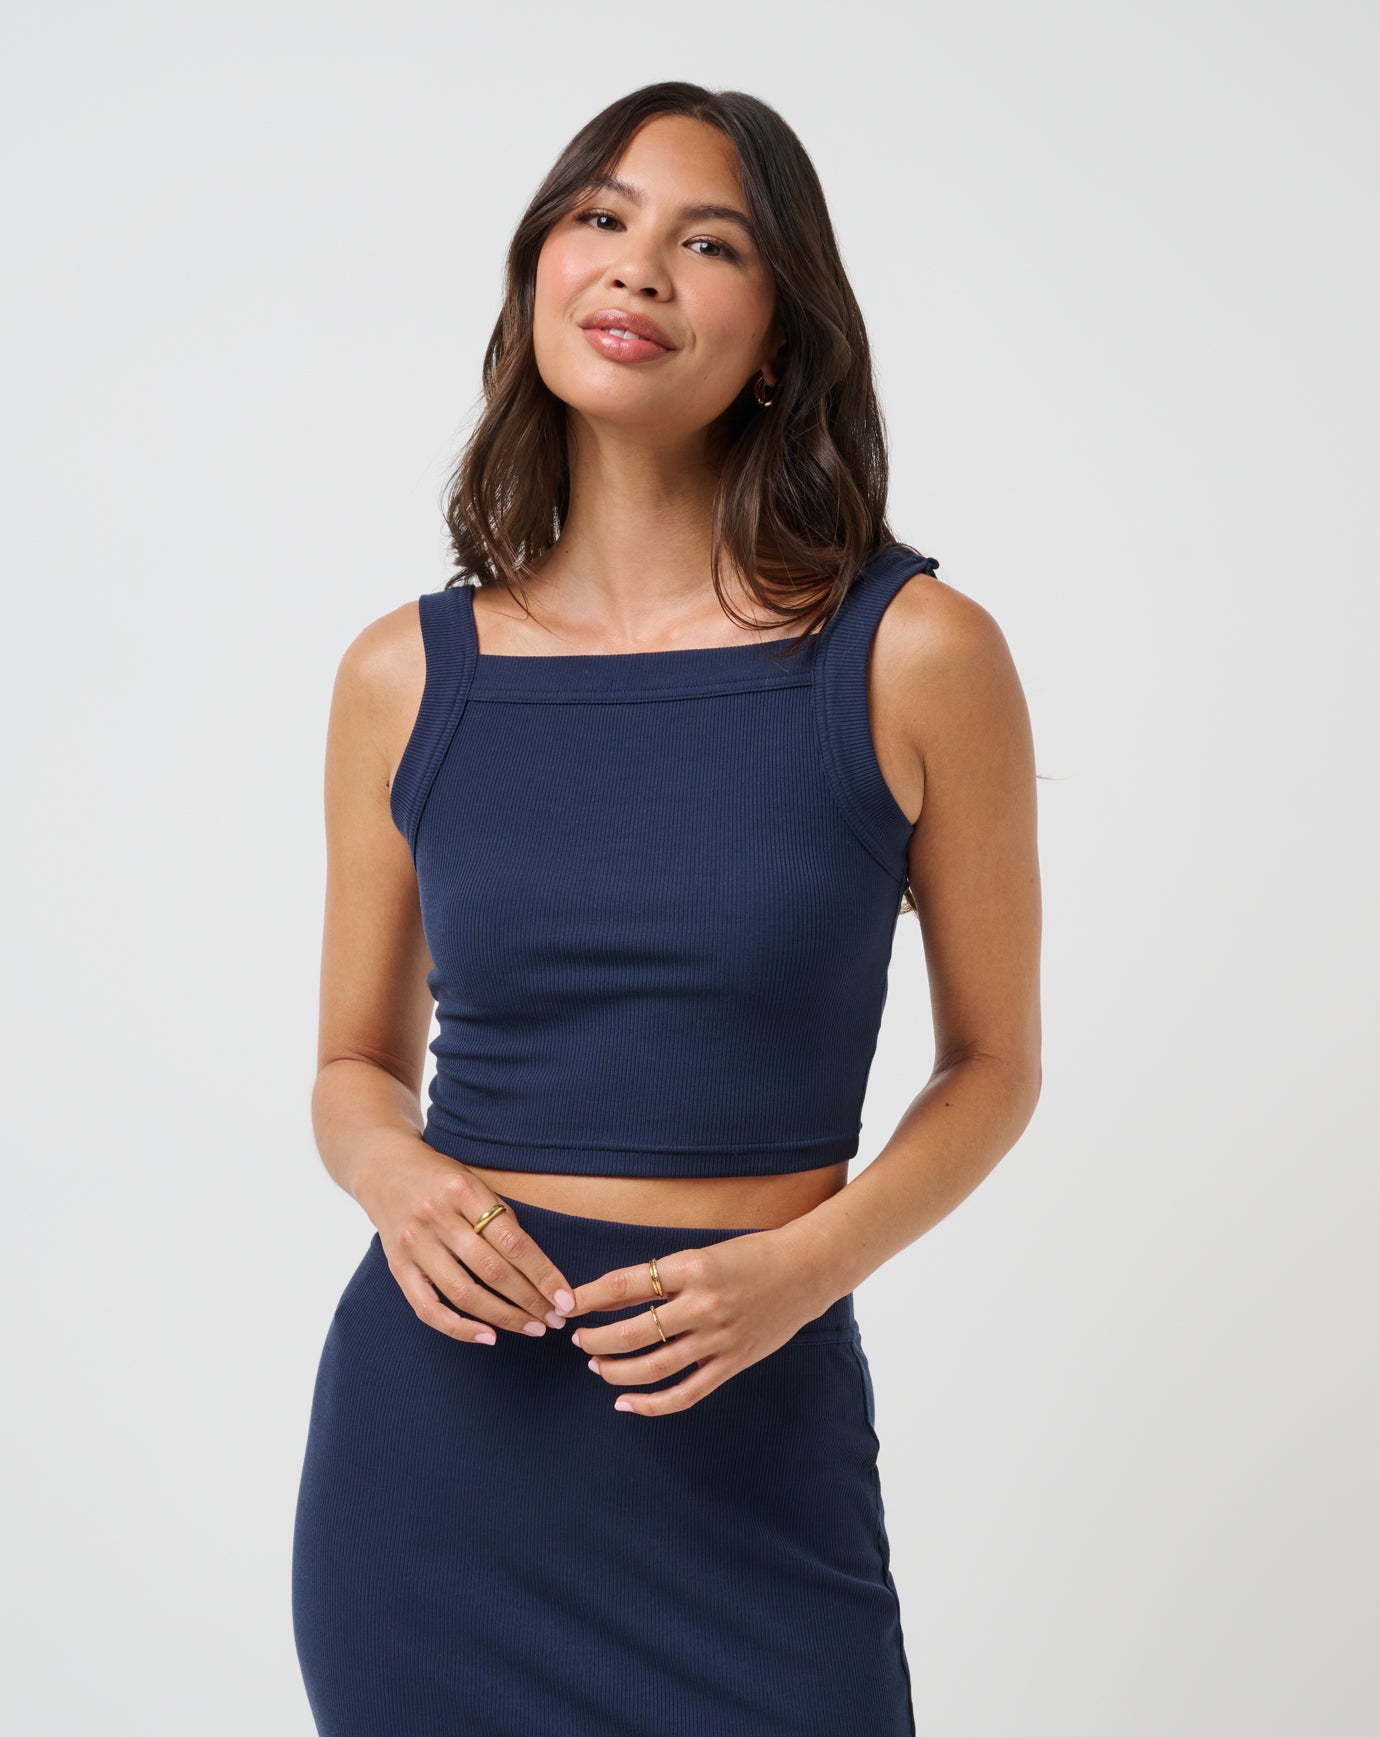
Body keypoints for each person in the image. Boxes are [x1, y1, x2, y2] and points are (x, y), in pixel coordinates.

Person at [292, 81, 1042, 1737]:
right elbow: (352, 1065)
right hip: (438, 1466)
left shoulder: (915, 656)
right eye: (601, 218)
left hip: (752, 1448)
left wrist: (803, 1268)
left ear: (778, 337)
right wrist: (398, 1177)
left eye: (710, 243)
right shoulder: (405, 675)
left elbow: (994, 1063)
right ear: (540, 274)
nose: (637, 265)